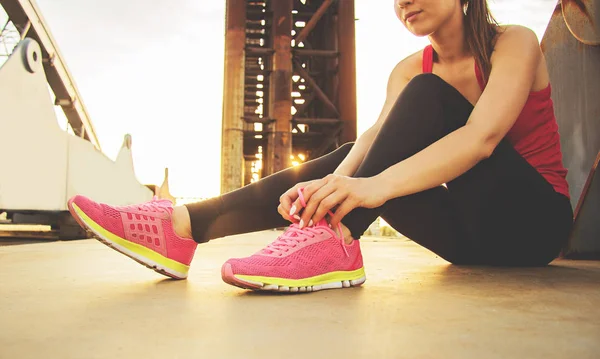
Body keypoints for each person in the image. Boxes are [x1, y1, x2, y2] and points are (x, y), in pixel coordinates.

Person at [67, 0, 573, 293]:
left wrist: (369, 187)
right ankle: (182, 227)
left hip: (533, 227)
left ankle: (331, 244)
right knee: (350, 158)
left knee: (422, 104)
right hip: (468, 245)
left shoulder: (513, 42)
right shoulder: (406, 68)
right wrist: (332, 186)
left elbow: (480, 139)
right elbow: (376, 142)